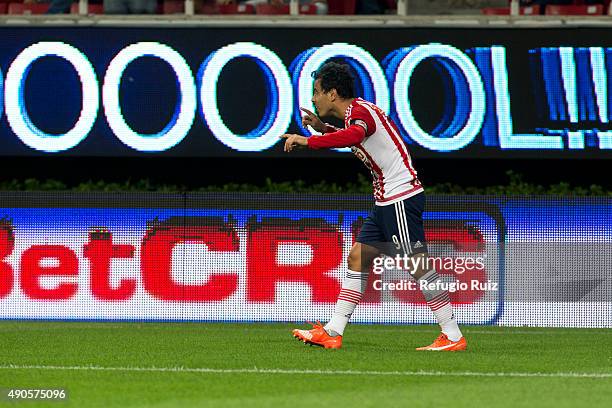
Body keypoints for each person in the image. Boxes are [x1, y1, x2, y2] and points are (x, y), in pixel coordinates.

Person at [280, 62, 467, 351]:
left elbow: (355, 135)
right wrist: (324, 129)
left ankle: (453, 335)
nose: (313, 99)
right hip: (385, 201)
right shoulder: (356, 114)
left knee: (417, 265)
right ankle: (333, 330)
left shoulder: (359, 112)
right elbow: (355, 136)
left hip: (400, 198)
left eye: (316, 92)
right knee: (358, 257)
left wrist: (310, 140)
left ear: (332, 94)